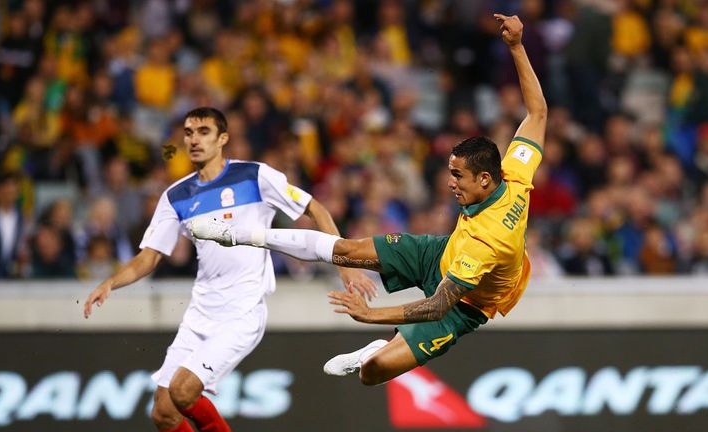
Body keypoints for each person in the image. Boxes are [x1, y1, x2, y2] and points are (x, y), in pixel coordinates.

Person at [190, 13, 546, 386]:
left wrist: (369, 314)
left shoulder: (488, 242)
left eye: (458, 175)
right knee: (345, 250)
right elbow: (538, 112)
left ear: (485, 179)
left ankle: (375, 347)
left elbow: (438, 305)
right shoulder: (515, 175)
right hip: (443, 253)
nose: (450, 182)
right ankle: (241, 234)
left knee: (371, 374)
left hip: (464, 303)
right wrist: (517, 47)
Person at [83, 107, 375, 432]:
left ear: (223, 138)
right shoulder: (176, 196)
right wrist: (111, 282)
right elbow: (149, 258)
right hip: (200, 312)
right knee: (164, 413)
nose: (195, 140)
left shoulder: (255, 176)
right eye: (189, 132)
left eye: (204, 132)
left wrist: (345, 265)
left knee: (183, 391)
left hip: (242, 312)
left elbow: (316, 209)